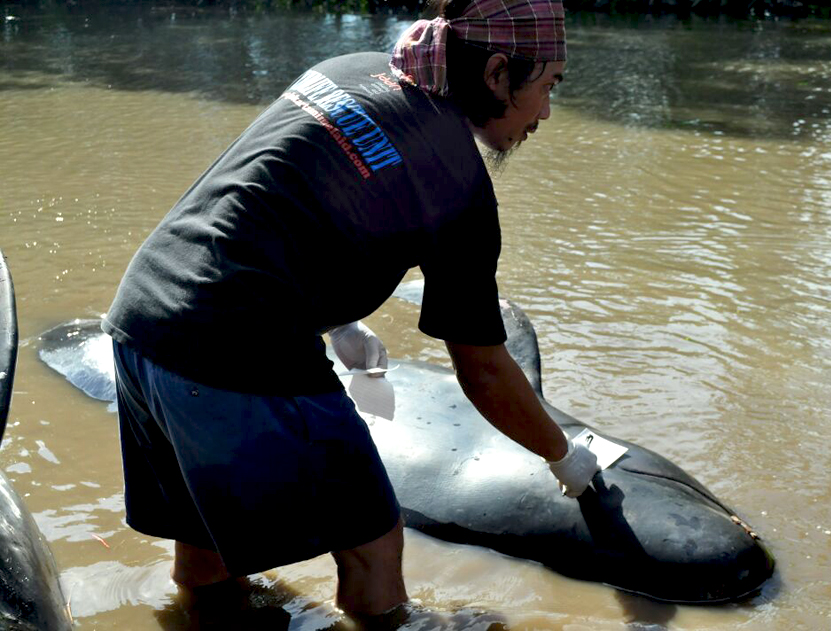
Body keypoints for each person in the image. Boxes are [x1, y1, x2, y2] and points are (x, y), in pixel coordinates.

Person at [103, 0, 599, 622]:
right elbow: (485, 370)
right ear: (498, 73)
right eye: (547, 87)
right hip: (241, 345)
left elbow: (269, 194)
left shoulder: (346, 70)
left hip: (142, 321)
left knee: (208, 555)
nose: (546, 112)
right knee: (372, 546)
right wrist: (564, 456)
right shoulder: (460, 185)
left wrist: (336, 319)